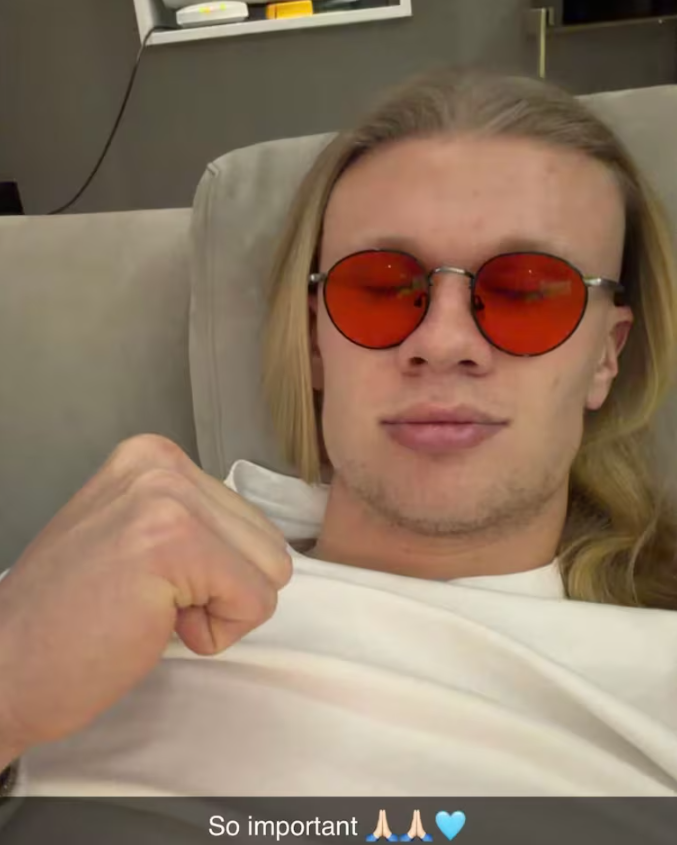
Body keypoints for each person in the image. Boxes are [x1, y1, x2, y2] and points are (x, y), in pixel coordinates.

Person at [0, 65, 677, 800]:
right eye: (381, 288)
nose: (442, 342)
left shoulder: (653, 674)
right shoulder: (96, 569)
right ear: (317, 340)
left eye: (526, 294)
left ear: (604, 356)